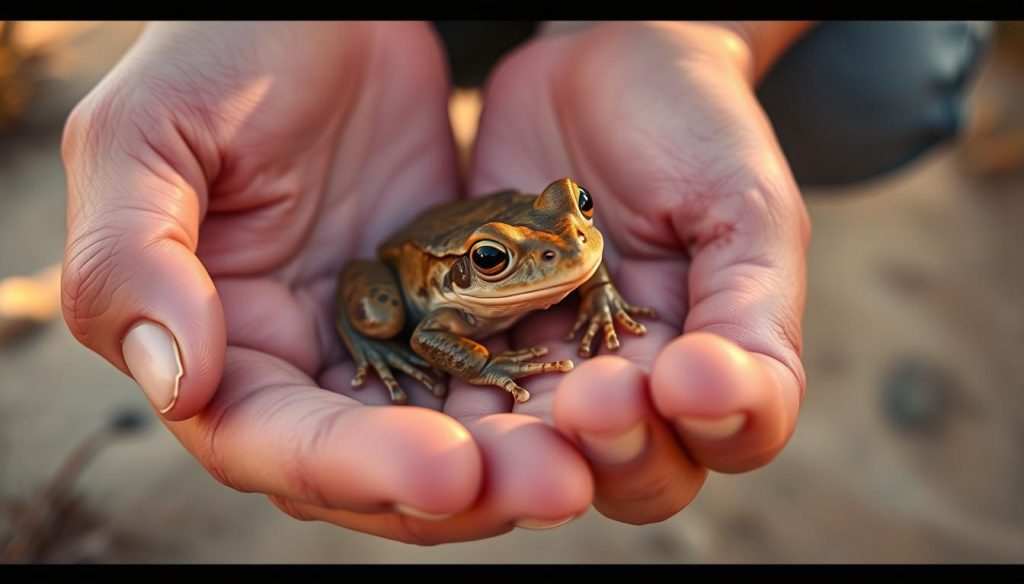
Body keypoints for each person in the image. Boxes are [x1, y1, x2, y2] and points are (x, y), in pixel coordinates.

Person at [59, 21, 988, 543]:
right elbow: (426, 334)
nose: (572, 245)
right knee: (380, 310)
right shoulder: (445, 290)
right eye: (511, 260)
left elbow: (573, 247)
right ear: (485, 267)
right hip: (414, 273)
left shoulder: (571, 245)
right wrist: (476, 366)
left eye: (579, 209)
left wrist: (695, 35)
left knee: (884, 85)